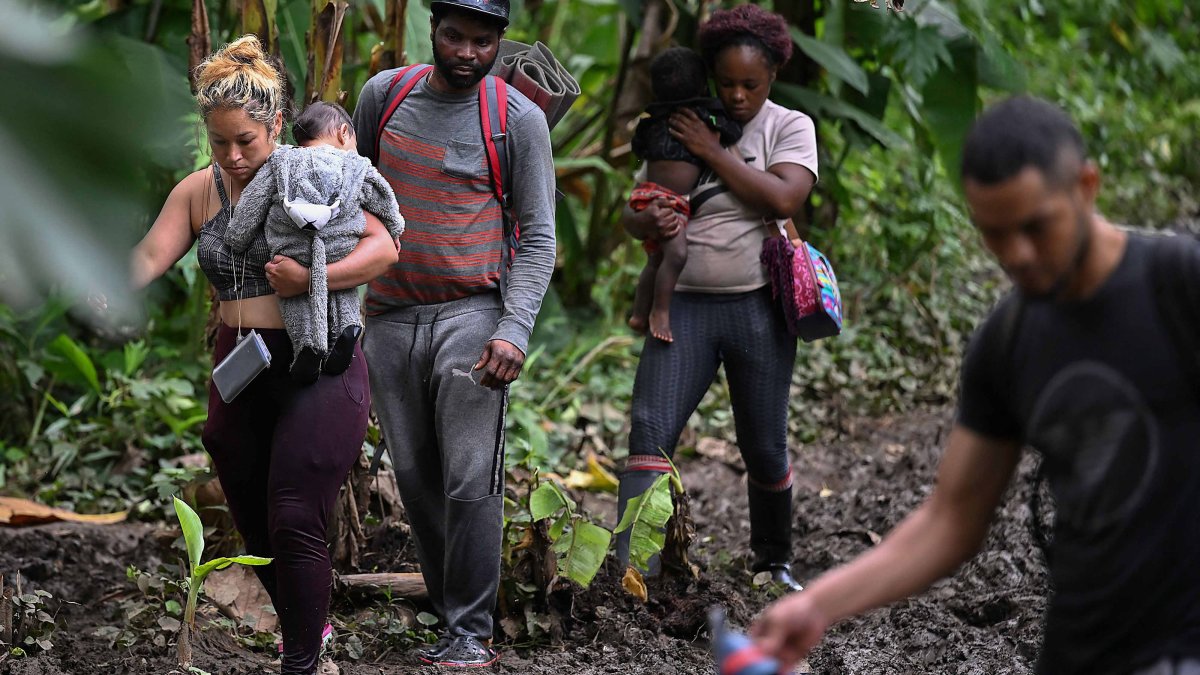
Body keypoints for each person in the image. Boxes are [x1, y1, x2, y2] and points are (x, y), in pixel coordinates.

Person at [752, 96, 1200, 675]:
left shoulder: (1179, 286)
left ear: (1086, 187)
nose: (1017, 254)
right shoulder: (1010, 341)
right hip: (1086, 645)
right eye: (995, 234)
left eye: (1036, 227)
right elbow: (951, 521)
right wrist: (814, 605)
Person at [128, 35, 398, 675]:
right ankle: (311, 631)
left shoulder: (316, 171)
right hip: (241, 365)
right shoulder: (201, 190)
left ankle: (303, 661)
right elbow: (147, 255)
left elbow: (385, 248)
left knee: (295, 508)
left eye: (246, 141)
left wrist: (311, 279)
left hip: (317, 359)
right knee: (253, 515)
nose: (233, 155)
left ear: (276, 124)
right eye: (220, 141)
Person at [350, 0, 556, 667]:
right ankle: (449, 615)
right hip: (387, 317)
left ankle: (470, 631)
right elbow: (354, 198)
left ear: (500, 42)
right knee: (417, 477)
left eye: (484, 41)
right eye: (455, 37)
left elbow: (539, 236)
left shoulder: (516, 120)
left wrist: (514, 329)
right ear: (433, 32)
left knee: (471, 478)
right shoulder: (385, 95)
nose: (468, 52)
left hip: (472, 313)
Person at [616, 4, 819, 592]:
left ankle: (772, 560)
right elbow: (635, 217)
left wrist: (712, 151)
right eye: (725, 82)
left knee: (762, 439)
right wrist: (644, 218)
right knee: (649, 426)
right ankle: (636, 569)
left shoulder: (789, 126)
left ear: (774, 75)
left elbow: (783, 199)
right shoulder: (680, 123)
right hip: (684, 308)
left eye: (749, 85)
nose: (736, 96)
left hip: (758, 306)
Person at [225, 101, 405, 384]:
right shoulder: (354, 164)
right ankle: (347, 327)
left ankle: (307, 345)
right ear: (344, 134)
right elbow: (382, 195)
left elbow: (253, 204)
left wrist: (236, 236)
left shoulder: (281, 162)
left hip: (292, 252)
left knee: (295, 299)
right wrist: (395, 228)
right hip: (336, 250)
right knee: (343, 290)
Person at [628, 46, 742, 343]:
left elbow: (638, 147)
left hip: (646, 194)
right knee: (676, 255)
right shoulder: (704, 118)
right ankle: (660, 312)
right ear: (705, 83)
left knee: (655, 261)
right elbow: (732, 132)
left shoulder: (653, 119)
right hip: (669, 201)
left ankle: (639, 313)